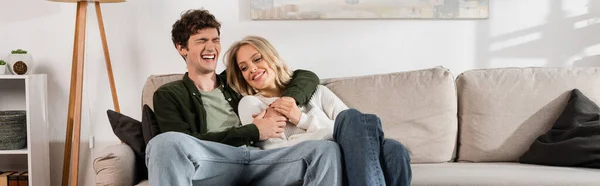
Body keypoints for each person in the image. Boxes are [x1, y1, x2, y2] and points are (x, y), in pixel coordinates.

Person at [145, 8, 342, 186]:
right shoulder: (168, 94)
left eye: (215, 40)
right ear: (182, 48)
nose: (211, 47)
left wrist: (288, 100)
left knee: (325, 151)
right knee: (163, 143)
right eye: (201, 41)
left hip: (260, 161)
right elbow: (183, 143)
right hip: (214, 164)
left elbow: (305, 76)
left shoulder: (236, 82)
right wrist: (253, 131)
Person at [225, 35, 413, 186]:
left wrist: (302, 120)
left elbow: (354, 128)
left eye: (257, 59)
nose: (252, 69)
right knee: (339, 137)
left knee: (393, 149)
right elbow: (276, 151)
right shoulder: (250, 104)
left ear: (272, 57)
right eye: (244, 68)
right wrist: (331, 135)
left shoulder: (317, 91)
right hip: (322, 160)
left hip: (354, 156)